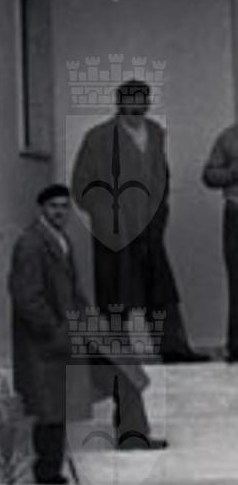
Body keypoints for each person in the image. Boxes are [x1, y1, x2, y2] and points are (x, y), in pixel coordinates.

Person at [8, 183, 165, 484]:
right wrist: (54, 331)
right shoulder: (30, 244)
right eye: (53, 207)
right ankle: (47, 470)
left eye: (64, 207)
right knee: (51, 405)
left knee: (123, 370)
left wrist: (91, 324)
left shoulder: (60, 239)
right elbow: (27, 297)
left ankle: (133, 434)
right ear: (41, 209)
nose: (60, 212)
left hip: (77, 330)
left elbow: (73, 291)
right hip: (48, 340)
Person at [72, 79, 198, 362]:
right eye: (131, 100)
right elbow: (81, 185)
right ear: (119, 102)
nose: (137, 106)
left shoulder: (155, 133)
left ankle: (174, 349)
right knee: (114, 291)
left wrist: (160, 212)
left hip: (150, 226)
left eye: (143, 100)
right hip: (114, 230)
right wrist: (107, 215)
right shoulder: (98, 137)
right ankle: (117, 354)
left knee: (161, 289)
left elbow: (162, 176)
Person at [202, 116, 238, 362]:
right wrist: (233, 172)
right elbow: (209, 176)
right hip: (237, 214)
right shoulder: (229, 137)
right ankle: (237, 348)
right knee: (237, 282)